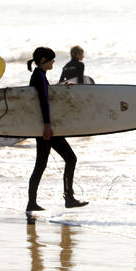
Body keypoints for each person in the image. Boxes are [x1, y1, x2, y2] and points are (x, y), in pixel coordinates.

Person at [26, 47, 88, 212]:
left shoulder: (39, 75)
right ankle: (68, 198)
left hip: (43, 127)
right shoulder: (38, 76)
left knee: (41, 164)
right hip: (46, 128)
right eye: (51, 59)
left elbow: (48, 94)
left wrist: (61, 86)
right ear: (43, 60)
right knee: (70, 159)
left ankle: (32, 203)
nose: (54, 62)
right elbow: (44, 101)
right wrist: (47, 125)